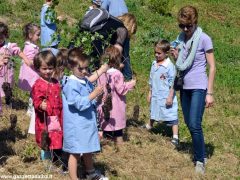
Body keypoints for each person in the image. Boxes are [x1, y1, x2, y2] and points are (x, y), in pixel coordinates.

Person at [171, 5, 216, 174]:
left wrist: (209, 93)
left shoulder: (204, 39)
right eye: (181, 25)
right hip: (185, 86)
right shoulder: (181, 38)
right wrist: (176, 57)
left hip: (199, 85)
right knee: (189, 123)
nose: (185, 29)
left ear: (195, 22)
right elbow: (182, 63)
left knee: (195, 124)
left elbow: (212, 67)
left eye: (188, 26)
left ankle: (200, 160)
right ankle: (200, 151)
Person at [62, 48, 108, 180]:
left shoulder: (85, 80)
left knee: (88, 148)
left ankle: (91, 173)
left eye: (86, 68)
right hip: (76, 125)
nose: (84, 72)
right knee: (75, 152)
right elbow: (78, 103)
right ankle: (73, 177)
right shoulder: (70, 84)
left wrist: (97, 98)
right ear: (71, 67)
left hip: (86, 123)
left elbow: (89, 100)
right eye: (80, 69)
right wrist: (92, 95)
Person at [97, 46, 136, 145]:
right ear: (117, 59)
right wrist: (131, 83)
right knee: (118, 130)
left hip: (104, 104)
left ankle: (106, 145)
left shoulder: (101, 72)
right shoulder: (117, 74)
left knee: (106, 126)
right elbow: (121, 89)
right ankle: (120, 145)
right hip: (115, 106)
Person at [143, 40, 179, 146]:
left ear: (166, 53)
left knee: (172, 114)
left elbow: (173, 82)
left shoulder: (169, 66)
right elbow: (151, 79)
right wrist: (150, 92)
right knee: (154, 109)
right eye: (155, 52)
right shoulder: (154, 64)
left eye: (159, 53)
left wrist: (170, 97)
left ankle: (175, 136)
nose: (156, 55)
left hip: (166, 95)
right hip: (155, 93)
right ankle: (150, 125)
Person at [32, 50, 63, 163]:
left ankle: (56, 159)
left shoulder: (55, 82)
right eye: (44, 69)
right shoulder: (38, 84)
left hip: (57, 116)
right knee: (46, 138)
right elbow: (36, 100)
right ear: (38, 69)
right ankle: (46, 161)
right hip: (46, 118)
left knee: (57, 137)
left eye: (50, 68)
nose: (48, 71)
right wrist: (41, 105)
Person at [18, 23, 41, 134]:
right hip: (32, 73)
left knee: (33, 91)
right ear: (31, 35)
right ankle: (31, 109)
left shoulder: (31, 45)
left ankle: (30, 108)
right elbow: (30, 62)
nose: (39, 37)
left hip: (33, 72)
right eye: (38, 34)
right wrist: (40, 61)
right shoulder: (30, 47)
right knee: (34, 90)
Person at [0, 22, 29, 101]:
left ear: (5, 36)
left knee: (8, 88)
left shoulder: (9, 46)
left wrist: (26, 59)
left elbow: (18, 51)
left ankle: (8, 101)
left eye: (1, 37)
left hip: (7, 73)